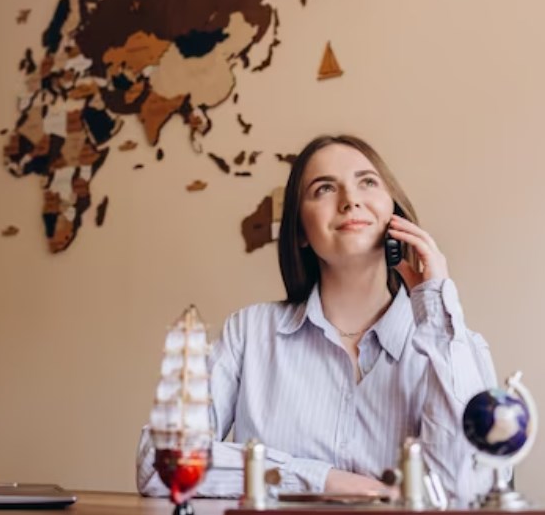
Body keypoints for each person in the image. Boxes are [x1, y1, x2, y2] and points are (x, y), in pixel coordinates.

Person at [136, 134, 499, 506]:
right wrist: (328, 481)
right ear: (301, 233)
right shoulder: (248, 333)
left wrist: (435, 306)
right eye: (324, 188)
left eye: (367, 182)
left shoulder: (455, 345)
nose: (350, 200)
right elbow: (159, 460)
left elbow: (467, 490)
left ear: (395, 215)